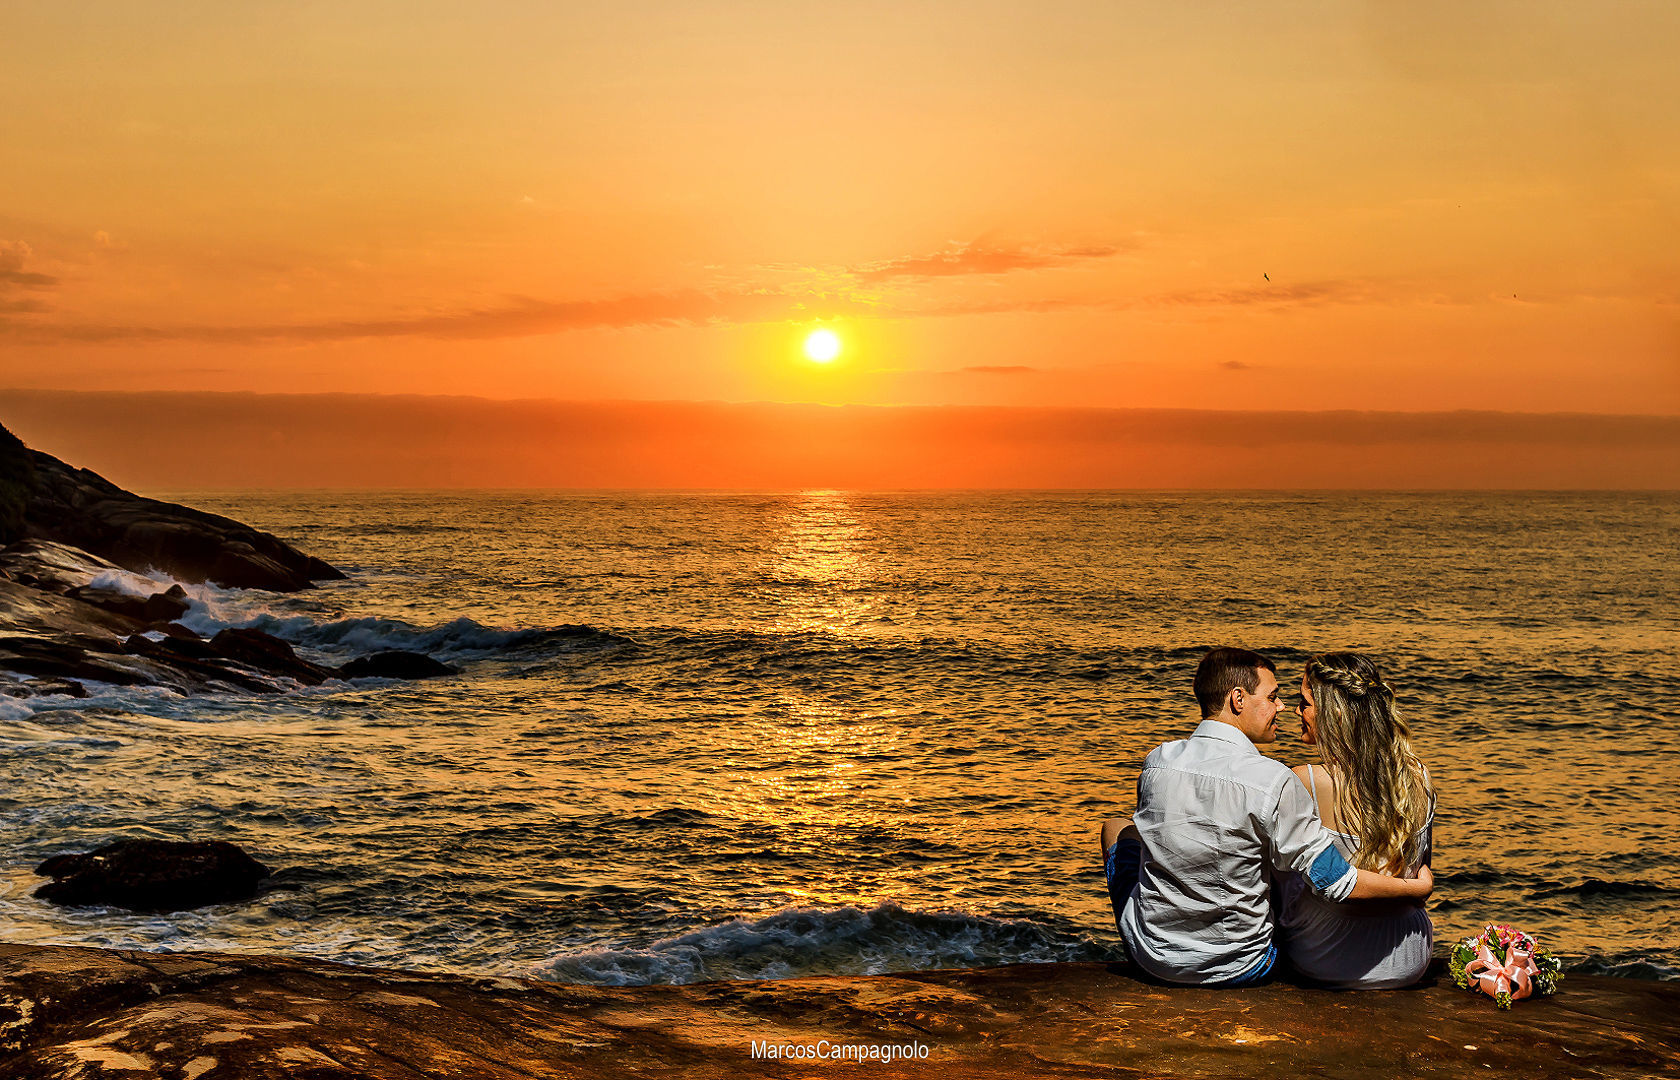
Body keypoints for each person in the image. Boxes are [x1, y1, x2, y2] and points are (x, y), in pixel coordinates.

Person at [1100, 647, 1432, 986]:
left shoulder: (1157, 762)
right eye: (1273, 697)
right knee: (1270, 840)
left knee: (1117, 828)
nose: (1282, 707)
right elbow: (1334, 880)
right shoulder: (1273, 780)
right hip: (1243, 965)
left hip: (1153, 958)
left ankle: (1163, 931)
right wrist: (1416, 888)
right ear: (1238, 699)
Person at [1273, 652, 1435, 988]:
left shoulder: (1305, 781)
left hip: (1327, 957)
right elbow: (1420, 871)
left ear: (1332, 712)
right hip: (1409, 956)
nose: (1298, 712)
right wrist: (1417, 886)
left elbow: (1309, 882)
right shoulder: (1418, 777)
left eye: (1304, 703)